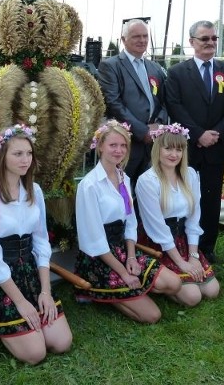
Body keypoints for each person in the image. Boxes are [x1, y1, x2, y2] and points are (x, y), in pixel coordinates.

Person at [0, 124, 72, 365]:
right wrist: (20, 301)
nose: (25, 160)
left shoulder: (33, 190)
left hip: (29, 272)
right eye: (18, 154)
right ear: (1, 156)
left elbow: (41, 242)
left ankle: (32, 321)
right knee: (35, 353)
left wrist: (45, 292)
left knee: (61, 342)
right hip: (0, 279)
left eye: (29, 153)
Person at [74, 120, 182, 322]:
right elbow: (94, 239)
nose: (119, 150)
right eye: (113, 145)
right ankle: (103, 291)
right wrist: (123, 272)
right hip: (99, 257)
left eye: (123, 145)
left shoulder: (123, 177)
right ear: (100, 147)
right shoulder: (89, 186)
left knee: (174, 284)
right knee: (152, 316)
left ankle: (131, 289)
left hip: (122, 249)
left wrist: (131, 257)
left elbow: (130, 221)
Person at [164, 20, 224, 263]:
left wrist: (216, 133)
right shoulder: (177, 73)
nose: (210, 43)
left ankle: (207, 247)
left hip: (216, 148)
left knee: (211, 199)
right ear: (192, 42)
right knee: (184, 198)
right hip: (188, 149)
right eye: (204, 38)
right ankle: (183, 245)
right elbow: (174, 106)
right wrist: (198, 134)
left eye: (214, 38)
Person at [136, 123, 220, 306]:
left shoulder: (189, 175)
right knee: (192, 297)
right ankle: (161, 283)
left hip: (183, 241)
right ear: (158, 149)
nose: (174, 154)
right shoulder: (147, 181)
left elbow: (193, 218)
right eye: (168, 148)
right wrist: (181, 263)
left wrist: (193, 256)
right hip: (157, 243)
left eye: (179, 149)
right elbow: (157, 227)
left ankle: (178, 280)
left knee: (212, 291)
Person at [97, 19, 168, 187]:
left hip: (152, 143)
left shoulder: (155, 68)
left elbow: (165, 101)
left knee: (149, 192)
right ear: (123, 39)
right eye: (136, 36)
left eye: (145, 36)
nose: (142, 40)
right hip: (126, 142)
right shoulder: (110, 66)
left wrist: (158, 124)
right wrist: (142, 131)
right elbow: (114, 102)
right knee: (122, 192)